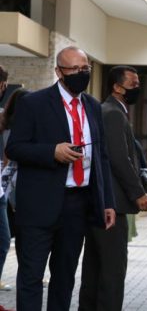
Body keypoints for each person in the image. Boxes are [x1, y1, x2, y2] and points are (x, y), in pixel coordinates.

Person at [6, 46, 116, 311]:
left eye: (85, 68)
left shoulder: (93, 106)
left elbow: (101, 156)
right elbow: (14, 148)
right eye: (75, 69)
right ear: (59, 71)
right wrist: (51, 151)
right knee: (31, 277)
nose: (82, 74)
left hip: (77, 205)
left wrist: (107, 201)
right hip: (38, 206)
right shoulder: (34, 103)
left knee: (64, 277)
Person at [79, 65, 147, 310]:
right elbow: (119, 158)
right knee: (110, 271)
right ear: (117, 87)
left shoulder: (110, 110)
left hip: (103, 203)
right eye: (133, 83)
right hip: (112, 204)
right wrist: (138, 192)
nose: (137, 88)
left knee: (96, 267)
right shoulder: (112, 113)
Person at [0, 88, 27, 293]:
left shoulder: (5, 124)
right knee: (4, 242)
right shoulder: (16, 130)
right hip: (9, 194)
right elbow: (9, 162)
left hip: (7, 193)